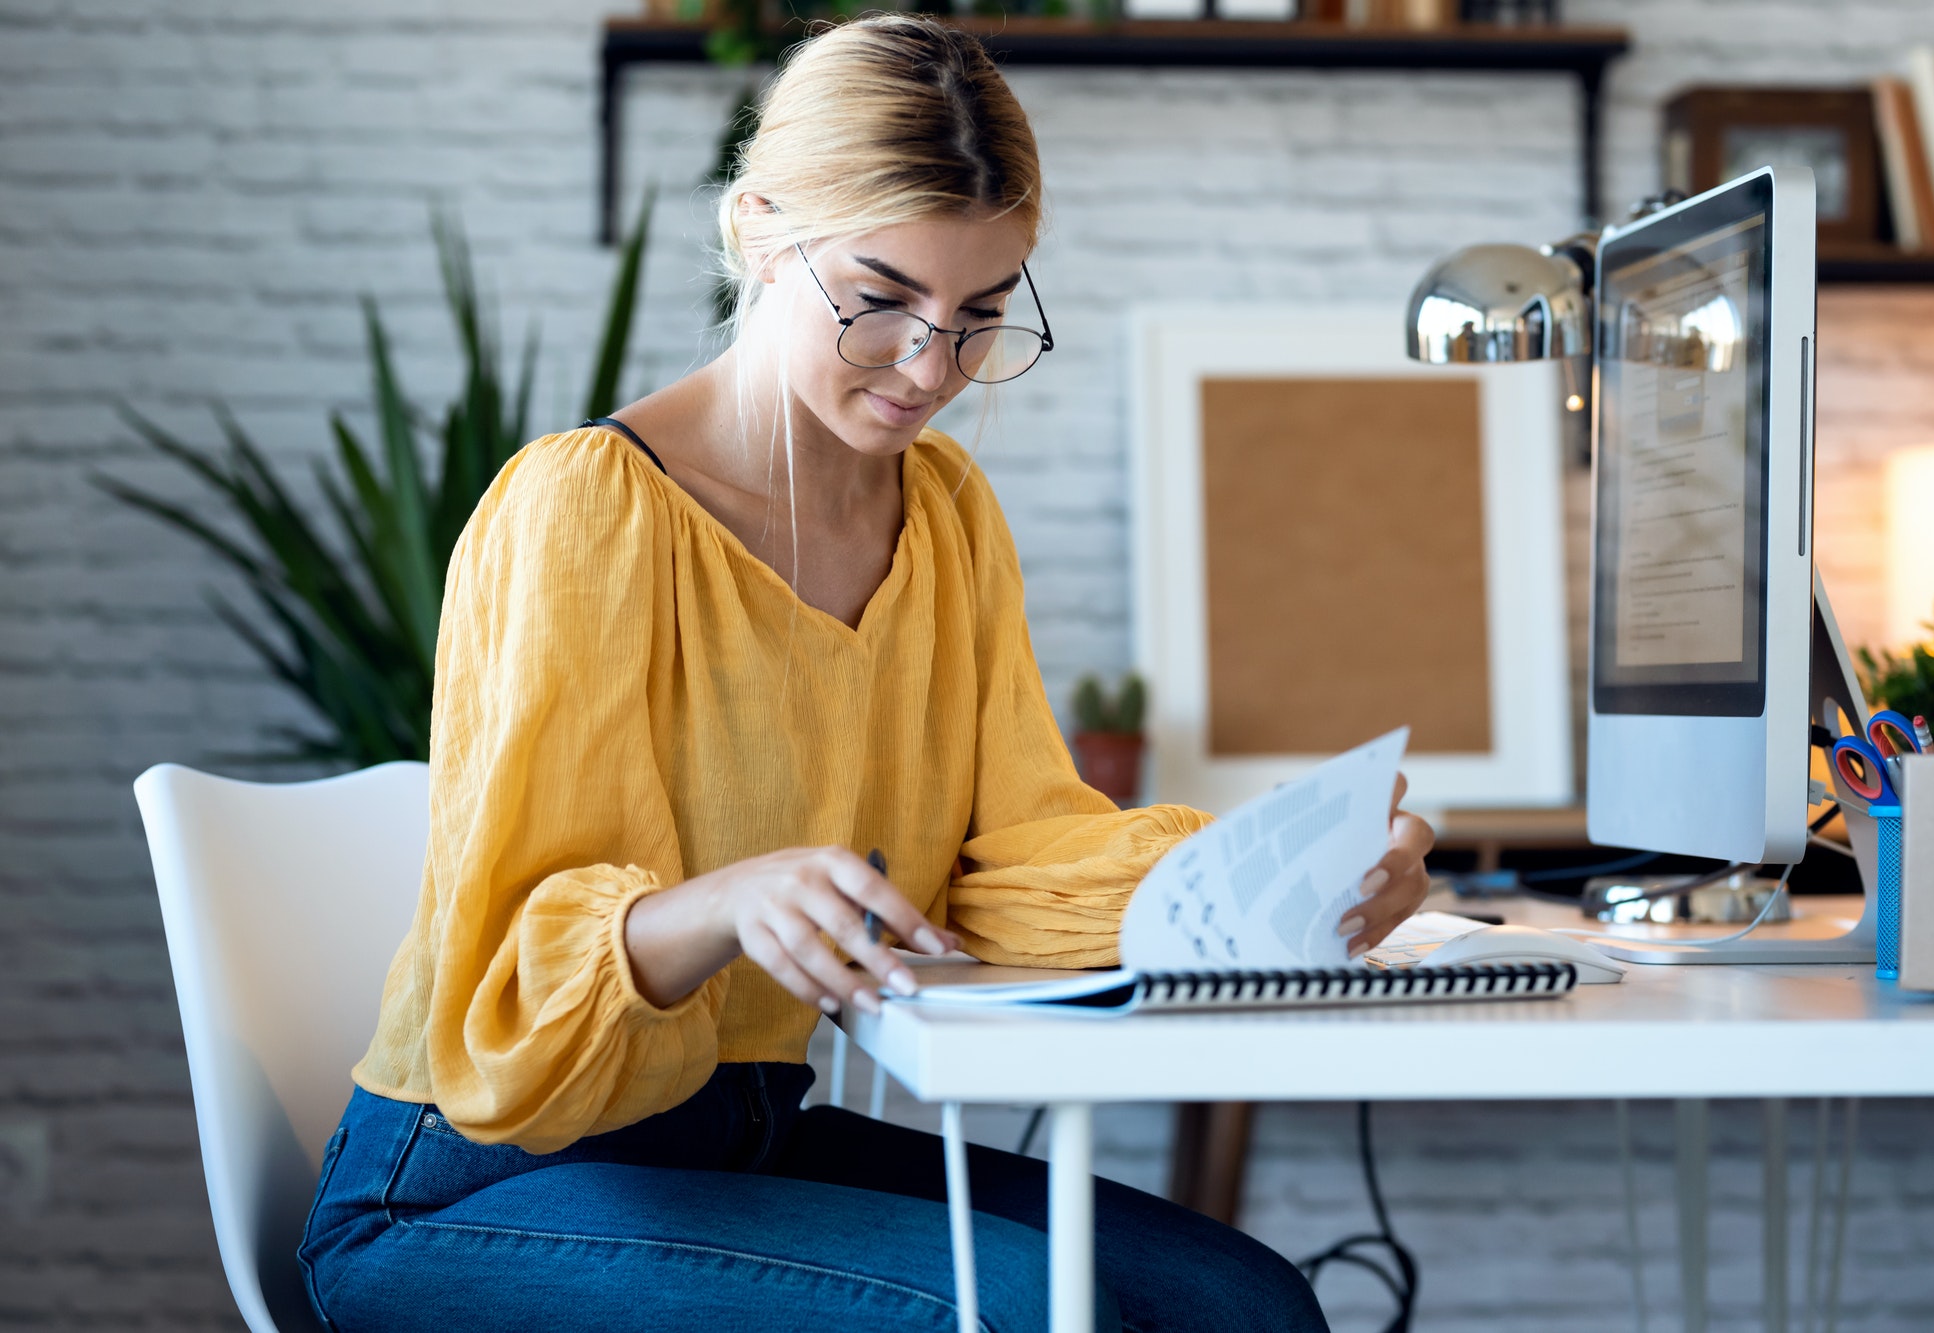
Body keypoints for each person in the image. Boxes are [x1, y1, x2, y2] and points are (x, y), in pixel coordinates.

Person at [296, 15, 1434, 1332]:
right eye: (882, 299)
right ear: (760, 231)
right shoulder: (586, 509)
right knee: (1017, 1307)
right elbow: (511, 998)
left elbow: (1007, 861)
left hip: (738, 1144)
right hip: (469, 1185)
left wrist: (1279, 865)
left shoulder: (944, 517)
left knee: (1247, 1300)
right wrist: (723, 903)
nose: (929, 367)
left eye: (978, 317)